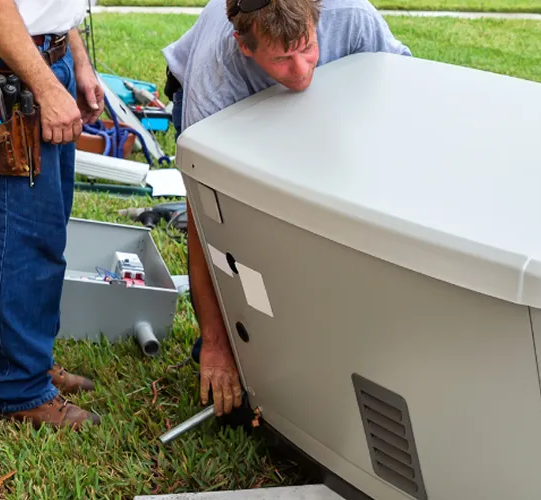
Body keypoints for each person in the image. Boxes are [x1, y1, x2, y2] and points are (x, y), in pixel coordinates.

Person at [160, 0, 412, 416]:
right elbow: (204, 221)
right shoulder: (216, 77)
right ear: (246, 47)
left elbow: (402, 94)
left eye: (307, 48)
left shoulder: (353, 17)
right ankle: (239, 346)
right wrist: (216, 344)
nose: (300, 72)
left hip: (323, 109)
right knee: (245, 232)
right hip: (226, 110)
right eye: (281, 58)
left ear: (318, 20)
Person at [0, 0, 107, 429]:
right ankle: (19, 390)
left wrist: (78, 64)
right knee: (24, 236)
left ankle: (33, 361)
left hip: (45, 58)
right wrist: (47, 87)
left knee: (47, 229)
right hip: (9, 67)